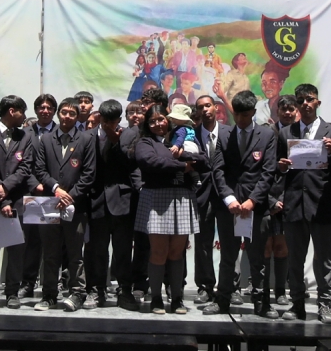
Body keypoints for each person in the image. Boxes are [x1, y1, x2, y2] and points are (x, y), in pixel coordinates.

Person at [276, 84, 331, 324]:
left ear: (318, 102)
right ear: (296, 105)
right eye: (301, 100)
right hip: (295, 204)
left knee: (324, 259)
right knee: (295, 259)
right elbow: (278, 168)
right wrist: (282, 167)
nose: (305, 103)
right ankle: (297, 304)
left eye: (310, 99)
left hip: (323, 205)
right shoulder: (286, 133)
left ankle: (325, 305)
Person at [203, 90, 277, 317]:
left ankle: (261, 302)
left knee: (258, 258)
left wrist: (253, 201)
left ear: (254, 113)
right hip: (231, 208)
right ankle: (222, 300)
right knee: (228, 256)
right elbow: (218, 170)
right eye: (238, 115)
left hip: (256, 208)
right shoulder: (224, 135)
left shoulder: (267, 136)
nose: (241, 120)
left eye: (246, 115)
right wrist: (230, 199)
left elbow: (268, 172)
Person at [134, 105, 209, 315]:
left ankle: (177, 298)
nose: (158, 124)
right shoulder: (145, 142)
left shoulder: (182, 136)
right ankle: (156, 298)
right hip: (156, 198)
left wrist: (183, 154)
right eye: (152, 121)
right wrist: (183, 166)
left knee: (177, 252)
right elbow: (149, 162)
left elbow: (203, 160)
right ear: (147, 125)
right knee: (158, 252)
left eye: (161, 119)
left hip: (183, 197)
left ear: (168, 119)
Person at [33, 98, 96, 312]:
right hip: (49, 203)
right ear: (58, 114)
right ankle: (49, 294)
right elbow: (39, 169)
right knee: (50, 252)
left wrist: (70, 195)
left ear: (77, 116)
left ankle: (77, 293)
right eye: (64, 112)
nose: (67, 116)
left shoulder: (86, 139)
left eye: (72, 113)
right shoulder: (46, 139)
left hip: (75, 206)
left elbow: (89, 174)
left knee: (75, 253)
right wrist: (55, 189)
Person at [84, 100, 141, 311]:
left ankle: (125, 290)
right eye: (105, 121)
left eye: (113, 121)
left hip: (122, 201)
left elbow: (132, 165)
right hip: (97, 201)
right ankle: (97, 290)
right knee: (98, 250)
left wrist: (116, 143)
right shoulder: (89, 136)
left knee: (123, 250)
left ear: (120, 119)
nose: (108, 124)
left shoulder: (130, 135)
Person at [0, 95, 34, 310]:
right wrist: (2, 198)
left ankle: (12, 291)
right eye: (21, 112)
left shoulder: (26, 136)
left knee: (15, 250)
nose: (24, 117)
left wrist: (7, 190)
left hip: (17, 202)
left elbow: (25, 168)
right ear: (12, 111)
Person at [192, 95, 234, 306]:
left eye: (208, 105)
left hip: (226, 195)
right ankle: (205, 285)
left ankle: (229, 285)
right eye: (200, 107)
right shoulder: (192, 135)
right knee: (202, 243)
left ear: (216, 108)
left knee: (229, 242)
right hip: (202, 196)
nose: (205, 110)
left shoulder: (229, 133)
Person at [20, 94, 58, 298]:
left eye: (49, 107)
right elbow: (23, 163)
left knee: (53, 243)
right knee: (32, 241)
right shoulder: (26, 133)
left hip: (55, 193)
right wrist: (35, 185)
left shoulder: (62, 132)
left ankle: (52, 284)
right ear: (36, 110)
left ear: (54, 111)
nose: (45, 110)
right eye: (41, 107)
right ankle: (28, 282)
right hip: (34, 193)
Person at [266, 95, 299, 306]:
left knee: (282, 248)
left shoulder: (303, 134)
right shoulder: (267, 133)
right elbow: (256, 170)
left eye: (291, 109)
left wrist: (287, 199)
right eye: (284, 109)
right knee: (265, 247)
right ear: (277, 111)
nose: (288, 112)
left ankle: (280, 290)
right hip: (267, 199)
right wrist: (271, 200)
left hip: (292, 199)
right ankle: (261, 291)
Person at [254, 61, 290, 126]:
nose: (267, 87)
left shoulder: (288, 107)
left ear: (281, 84)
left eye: (272, 82)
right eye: (264, 83)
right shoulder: (259, 105)